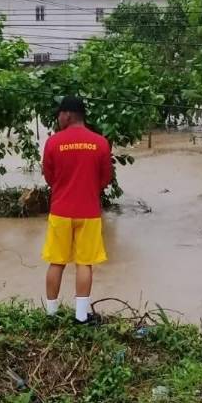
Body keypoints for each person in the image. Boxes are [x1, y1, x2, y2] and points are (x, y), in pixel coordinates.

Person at [41, 95, 112, 323]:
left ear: (68, 114)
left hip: (60, 211)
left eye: (59, 114)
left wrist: (64, 187)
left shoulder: (53, 142)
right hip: (89, 212)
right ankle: (81, 317)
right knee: (84, 263)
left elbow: (49, 177)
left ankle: (51, 314)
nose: (58, 117)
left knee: (57, 261)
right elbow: (105, 179)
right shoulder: (100, 142)